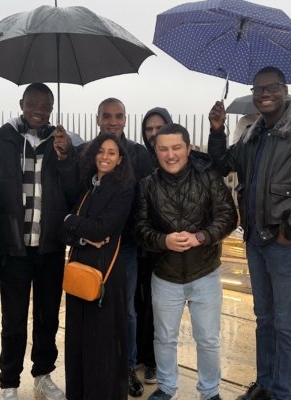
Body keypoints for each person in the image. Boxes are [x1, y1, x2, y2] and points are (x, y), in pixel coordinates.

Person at [208, 66, 291, 400]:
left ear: (285, 90)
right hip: (255, 240)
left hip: (286, 245)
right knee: (264, 318)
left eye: (271, 87)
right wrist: (217, 130)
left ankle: (281, 393)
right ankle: (264, 385)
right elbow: (222, 164)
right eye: (258, 89)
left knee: (285, 322)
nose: (264, 94)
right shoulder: (253, 135)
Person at [0, 83, 79, 400]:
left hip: (50, 245)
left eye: (46, 106)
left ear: (52, 109)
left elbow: (74, 192)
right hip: (14, 246)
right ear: (21, 103)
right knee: (13, 321)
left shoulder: (62, 142)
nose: (39, 110)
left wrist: (65, 156)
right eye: (33, 103)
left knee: (47, 318)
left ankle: (42, 375)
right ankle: (9, 383)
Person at [135, 123, 237, 400]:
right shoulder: (147, 185)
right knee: (164, 338)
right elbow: (139, 229)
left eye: (176, 148)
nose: (170, 155)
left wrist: (201, 237)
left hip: (205, 273)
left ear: (188, 148)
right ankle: (166, 388)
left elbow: (228, 216)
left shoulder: (208, 177)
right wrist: (163, 241)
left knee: (208, 339)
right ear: (155, 151)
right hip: (165, 276)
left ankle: (210, 391)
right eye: (163, 149)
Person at [59, 133, 135, 400]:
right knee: (78, 339)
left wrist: (70, 221)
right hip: (80, 270)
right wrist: (80, 234)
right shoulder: (88, 187)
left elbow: (102, 229)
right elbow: (63, 231)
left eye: (112, 152)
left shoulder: (123, 189)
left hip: (105, 274)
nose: (105, 156)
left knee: (101, 341)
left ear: (120, 159)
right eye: (101, 151)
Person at [91, 98, 153, 397]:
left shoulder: (139, 154)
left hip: (125, 246)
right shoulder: (88, 153)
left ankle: (127, 366)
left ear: (126, 120)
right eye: (107, 116)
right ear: (98, 119)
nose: (112, 121)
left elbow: (146, 199)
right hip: (92, 247)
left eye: (118, 116)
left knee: (126, 309)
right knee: (93, 307)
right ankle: (97, 363)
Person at [134, 107, 173, 385]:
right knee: (139, 302)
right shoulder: (139, 158)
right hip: (142, 242)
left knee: (157, 307)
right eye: (149, 129)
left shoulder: (174, 159)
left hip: (166, 246)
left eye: (159, 127)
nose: (153, 133)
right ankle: (139, 352)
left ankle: (153, 361)